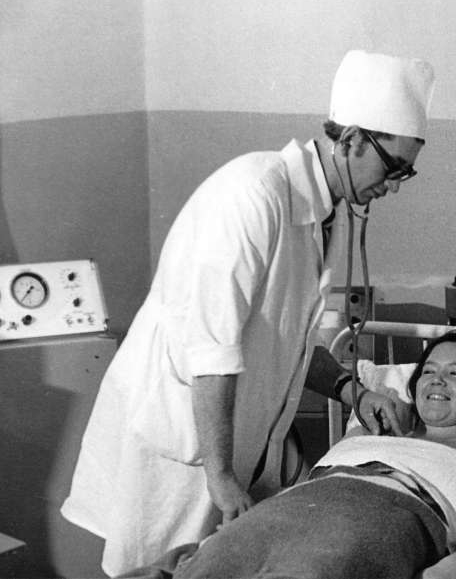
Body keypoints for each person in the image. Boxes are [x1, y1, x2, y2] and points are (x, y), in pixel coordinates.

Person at [61, 49, 436, 575]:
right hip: (189, 446)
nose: (393, 185)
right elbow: (211, 349)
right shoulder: (254, 195)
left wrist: (353, 390)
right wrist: (220, 476)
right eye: (392, 167)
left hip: (238, 446)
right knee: (159, 569)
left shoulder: (324, 214)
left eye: (405, 173)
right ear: (352, 140)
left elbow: (292, 345)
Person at [120, 331, 456, 579]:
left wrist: (442, 572)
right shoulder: (374, 431)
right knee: (212, 562)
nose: (436, 380)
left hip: (391, 515)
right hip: (299, 503)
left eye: (455, 373)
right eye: (428, 371)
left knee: (316, 569)